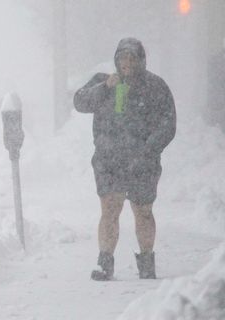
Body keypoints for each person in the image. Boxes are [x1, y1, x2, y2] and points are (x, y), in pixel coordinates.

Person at [73, 37, 176, 280]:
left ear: (141, 60)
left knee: (143, 211)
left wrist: (148, 149)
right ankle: (104, 263)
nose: (126, 63)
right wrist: (105, 87)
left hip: (143, 163)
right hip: (109, 160)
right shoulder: (104, 82)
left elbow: (168, 124)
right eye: (122, 58)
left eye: (132, 58)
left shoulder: (155, 86)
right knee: (110, 209)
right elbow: (79, 101)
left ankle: (147, 262)